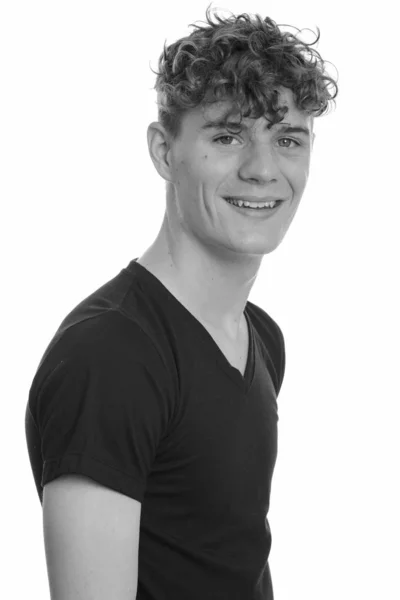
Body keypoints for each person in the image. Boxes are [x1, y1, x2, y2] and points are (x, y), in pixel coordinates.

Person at [25, 4, 338, 599]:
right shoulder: (111, 355)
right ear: (164, 152)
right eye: (228, 136)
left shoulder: (260, 336)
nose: (263, 169)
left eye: (288, 139)